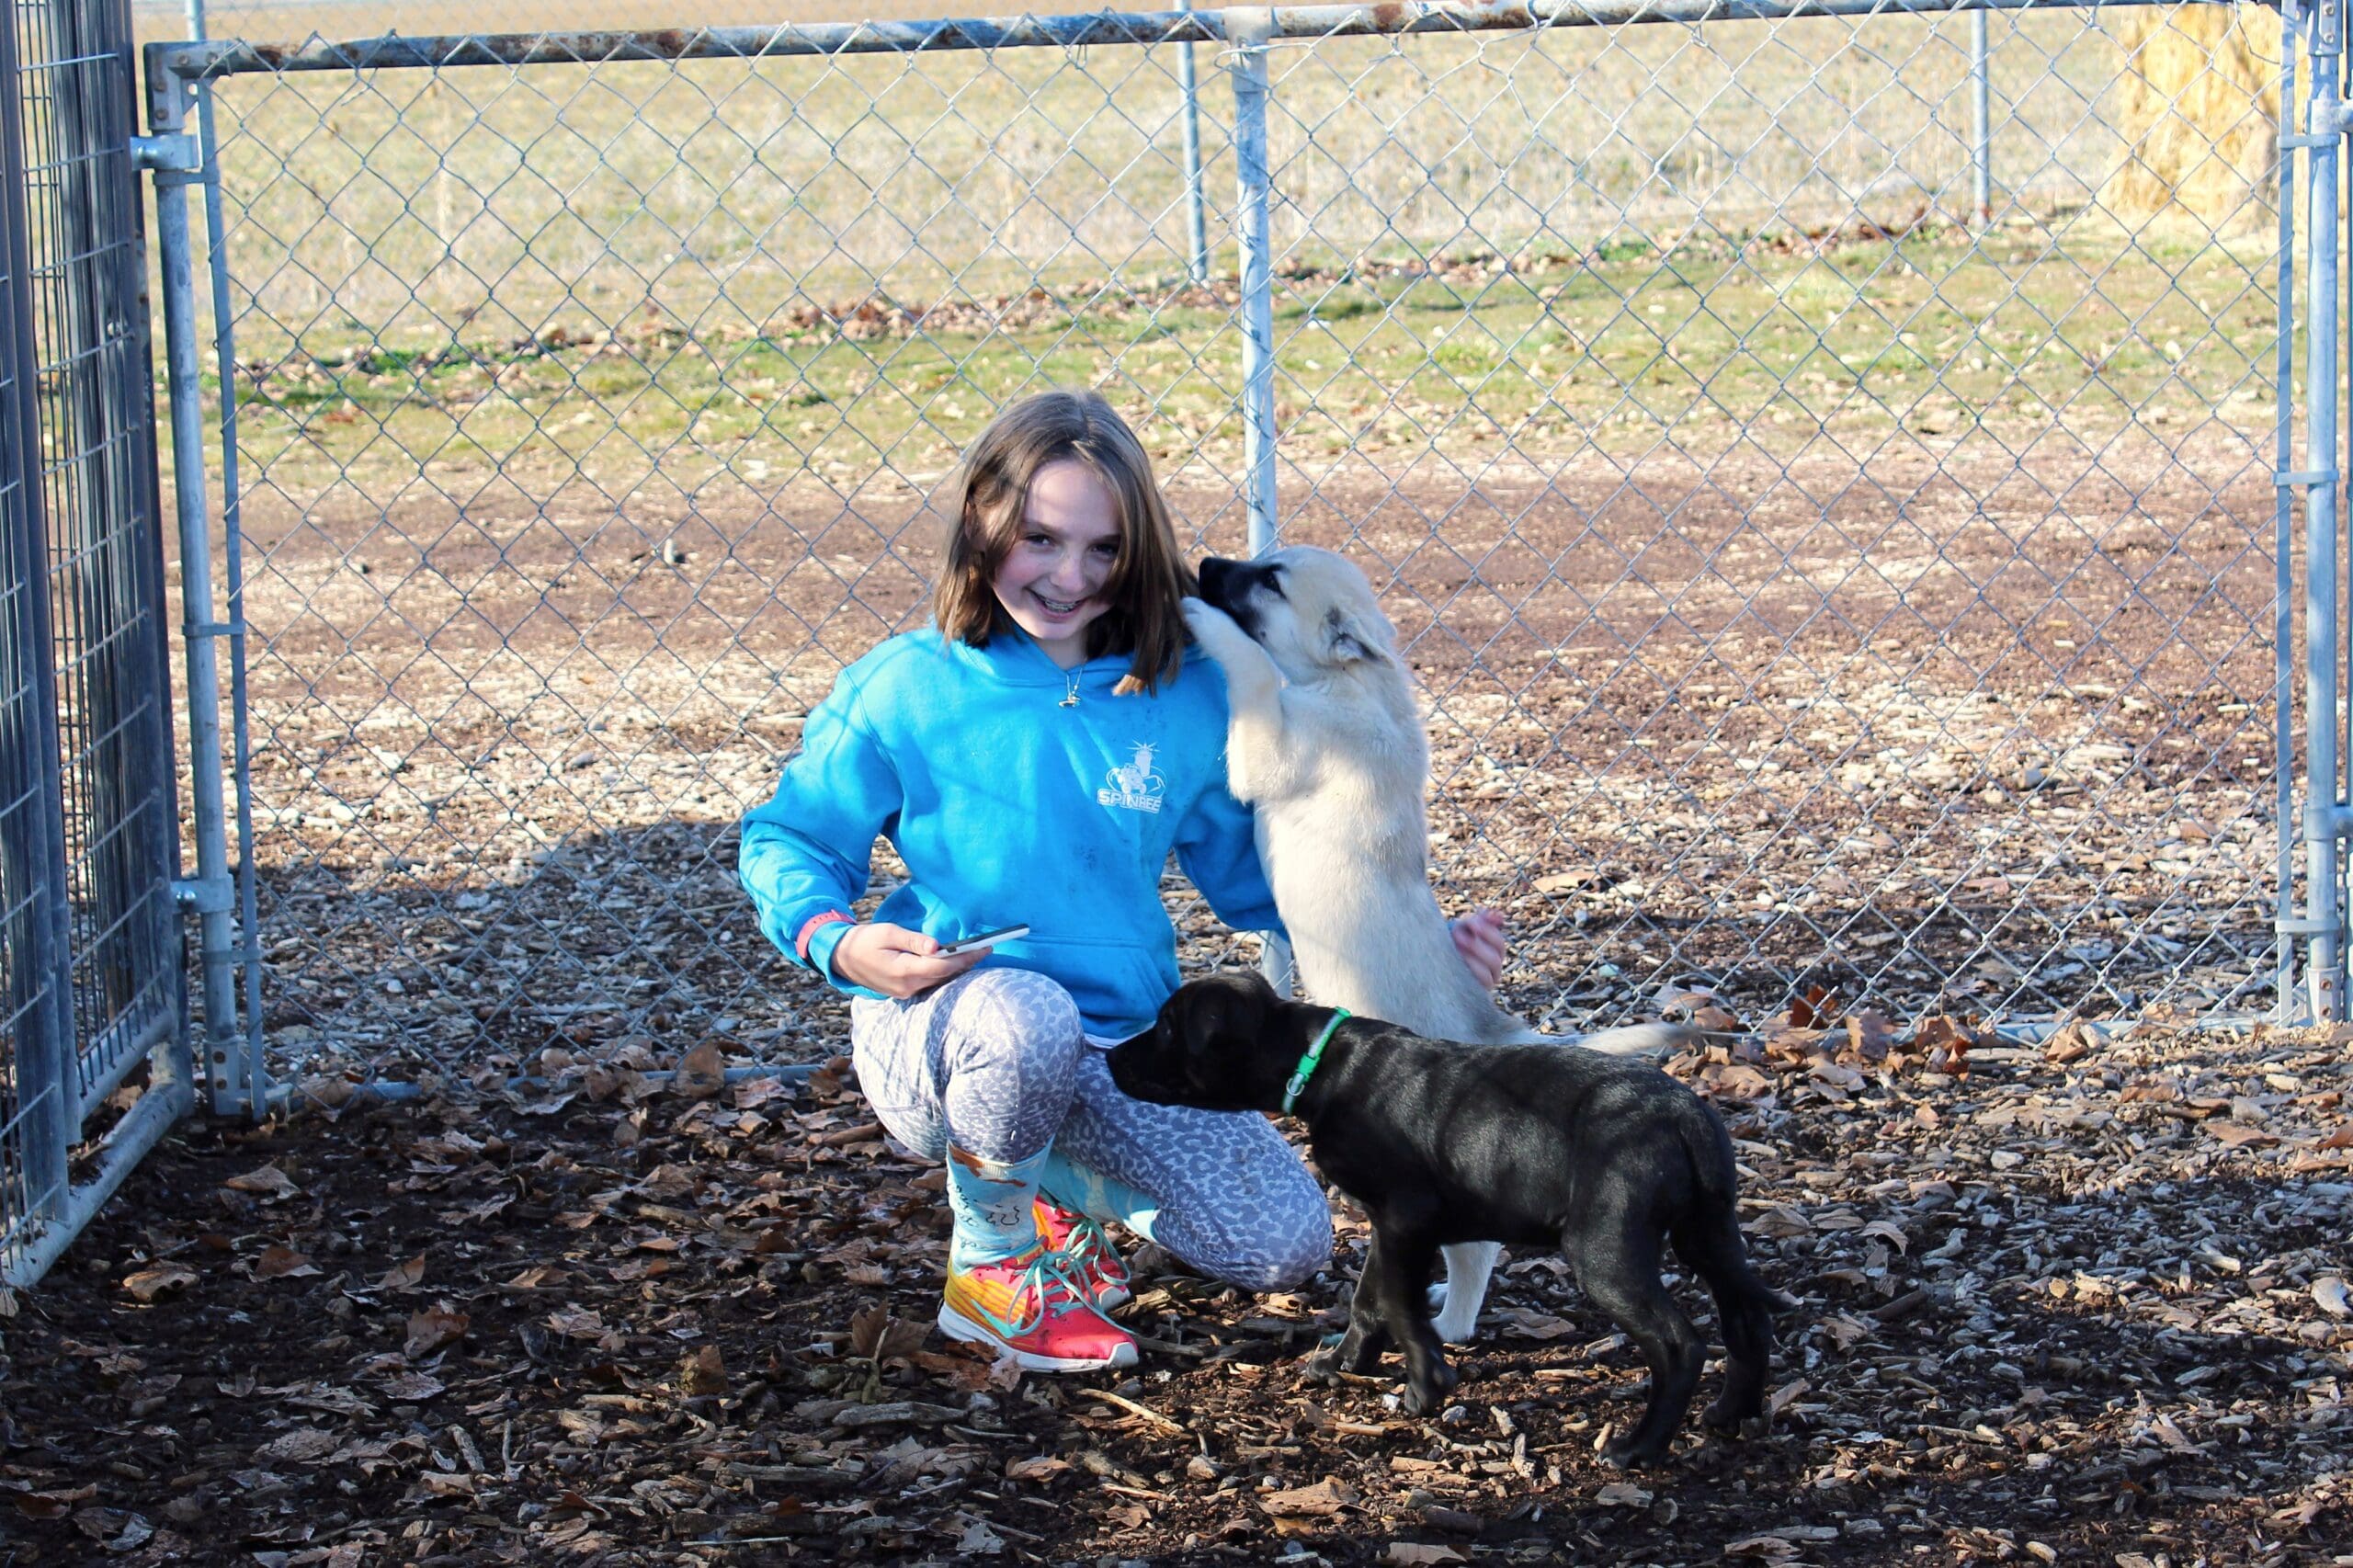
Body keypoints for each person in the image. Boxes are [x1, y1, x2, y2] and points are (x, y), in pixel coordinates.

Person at [738, 388, 1509, 1372]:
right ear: (980, 520)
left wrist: (1419, 954)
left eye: (1103, 549)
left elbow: (1271, 879)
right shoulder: (902, 685)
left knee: (1281, 1241)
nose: (1069, 576)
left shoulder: (1185, 696)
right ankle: (993, 1267)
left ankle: (1050, 1190)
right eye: (1039, 539)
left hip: (1120, 1040)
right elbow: (789, 837)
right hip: (943, 1029)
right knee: (1025, 1020)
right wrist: (838, 940)